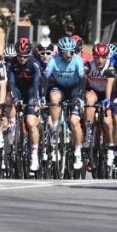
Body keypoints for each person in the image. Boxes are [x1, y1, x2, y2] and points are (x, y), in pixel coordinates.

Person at [43, 36, 86, 170]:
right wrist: (42, 96)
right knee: (54, 98)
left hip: (75, 89)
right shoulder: (54, 60)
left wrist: (80, 97)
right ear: (60, 52)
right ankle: (56, 129)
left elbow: (83, 80)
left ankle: (78, 152)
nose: (69, 55)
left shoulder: (78, 60)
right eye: (65, 52)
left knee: (74, 121)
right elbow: (45, 78)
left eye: (71, 52)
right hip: (60, 87)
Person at [7, 39, 42, 172]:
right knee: (9, 98)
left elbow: (37, 83)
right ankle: (12, 126)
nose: (22, 59)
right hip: (18, 91)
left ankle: (34, 154)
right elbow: (11, 83)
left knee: (31, 123)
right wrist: (15, 99)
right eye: (19, 56)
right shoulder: (12, 64)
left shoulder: (34, 63)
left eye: (25, 56)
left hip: (31, 91)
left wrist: (34, 100)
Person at [84, 42, 117, 169]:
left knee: (108, 122)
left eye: (103, 57)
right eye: (97, 57)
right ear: (93, 56)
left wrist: (108, 100)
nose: (100, 60)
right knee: (89, 100)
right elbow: (82, 81)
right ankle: (88, 132)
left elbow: (110, 84)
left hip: (108, 95)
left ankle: (110, 148)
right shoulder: (88, 65)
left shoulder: (111, 66)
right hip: (95, 92)